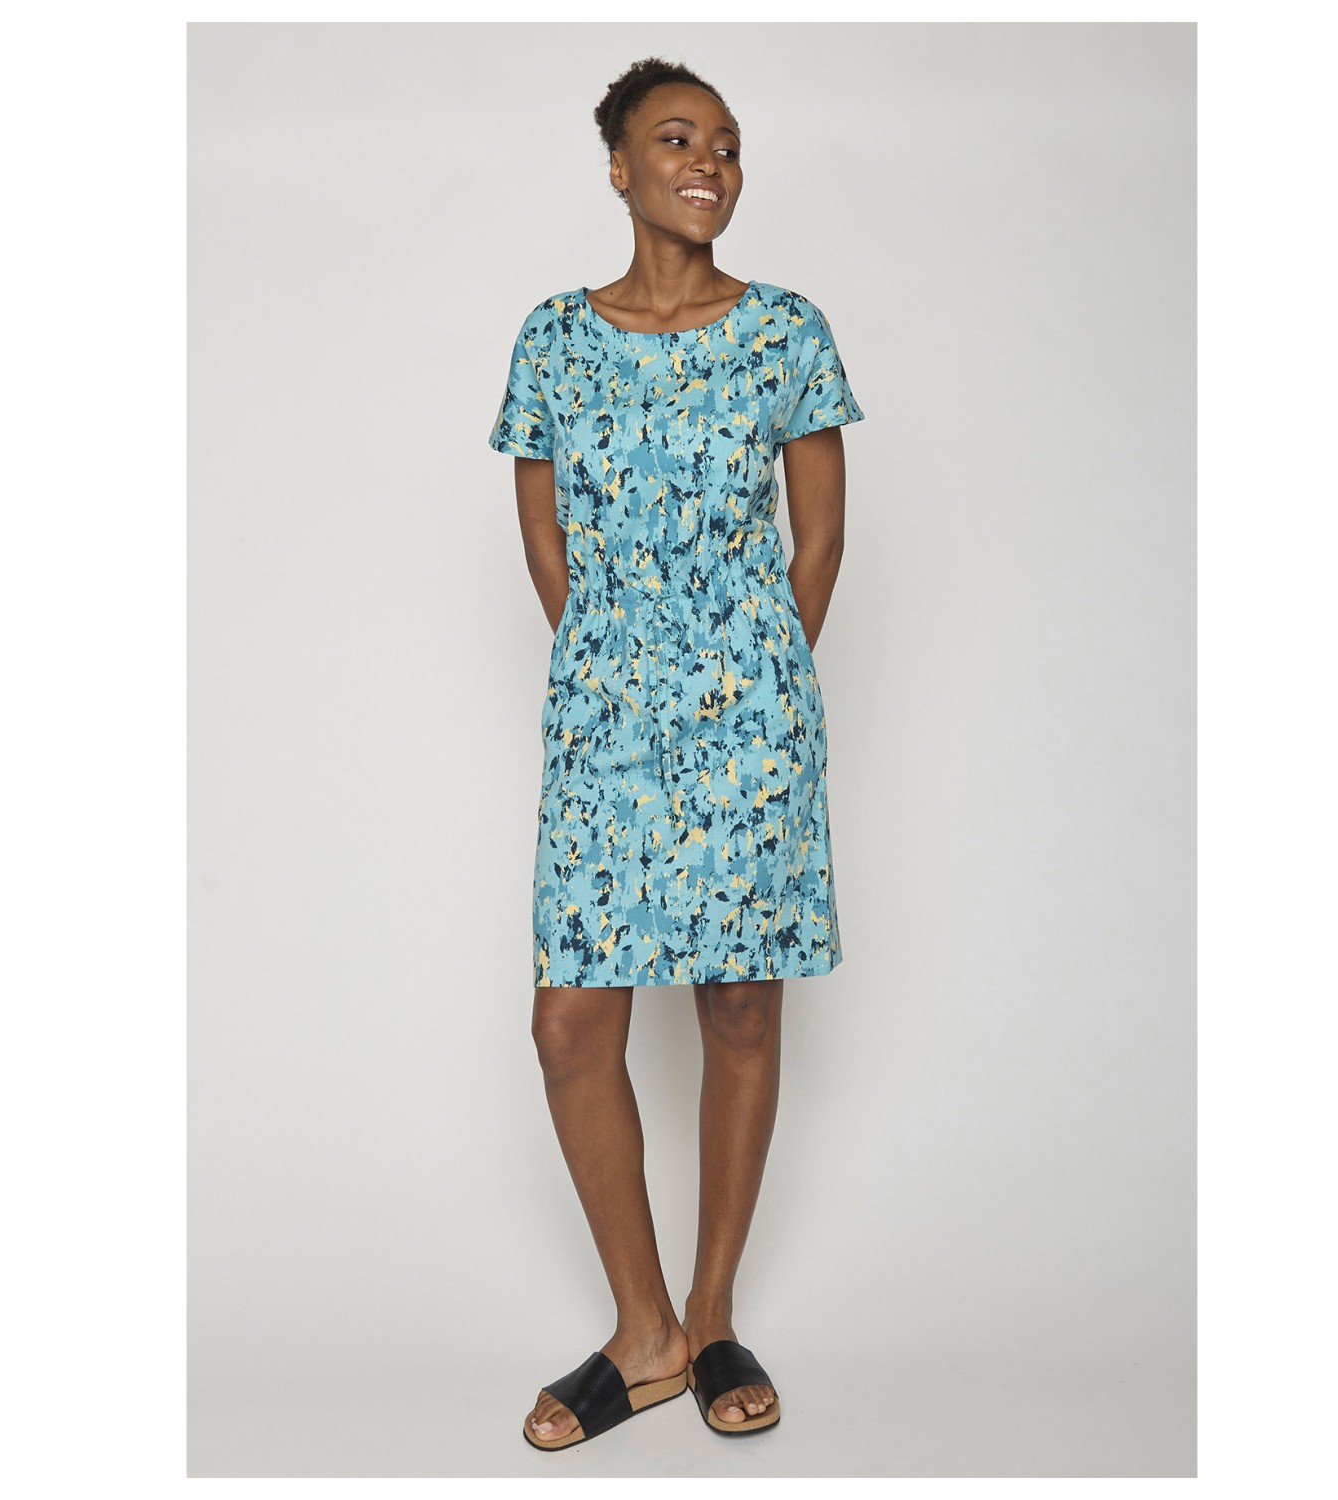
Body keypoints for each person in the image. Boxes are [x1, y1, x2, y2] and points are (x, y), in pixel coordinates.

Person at [486, 56, 865, 1452]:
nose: (709, 161)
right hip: (606, 719)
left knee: (741, 1005)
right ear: (619, 166)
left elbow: (819, 541)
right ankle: (640, 1331)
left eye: (728, 144)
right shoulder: (552, 340)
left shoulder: (785, 332)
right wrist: (619, 677)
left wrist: (747, 685)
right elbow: (545, 540)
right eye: (677, 138)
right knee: (569, 1023)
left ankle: (708, 1318)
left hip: (749, 718)